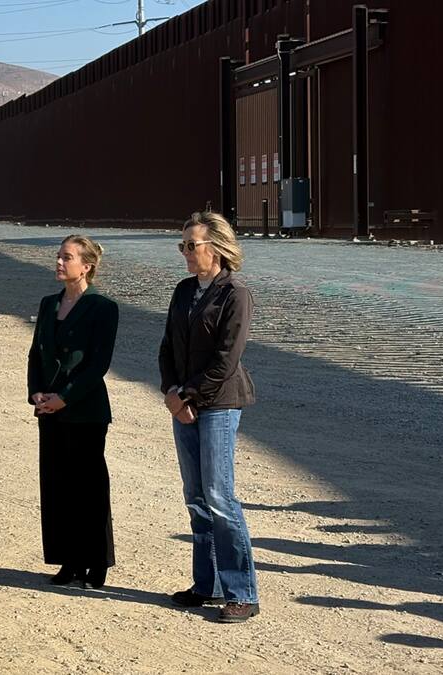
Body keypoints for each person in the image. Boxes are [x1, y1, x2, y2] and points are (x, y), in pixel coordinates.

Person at [159, 211, 260, 623]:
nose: (185, 252)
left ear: (215, 248)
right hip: (183, 401)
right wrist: (171, 391)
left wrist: (187, 393)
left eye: (191, 245)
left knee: (220, 496)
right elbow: (168, 345)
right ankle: (208, 584)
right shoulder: (184, 290)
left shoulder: (236, 294)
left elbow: (226, 359)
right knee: (196, 497)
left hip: (218, 402)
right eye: (181, 245)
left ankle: (242, 592)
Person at [27, 235, 119, 590]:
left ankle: (95, 562)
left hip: (85, 411)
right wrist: (36, 392)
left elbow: (98, 365)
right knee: (57, 486)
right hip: (49, 410)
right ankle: (69, 561)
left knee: (89, 489)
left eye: (67, 257)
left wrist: (64, 398)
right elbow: (35, 354)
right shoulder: (48, 303)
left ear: (87, 266)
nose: (59, 262)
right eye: (59, 256)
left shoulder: (103, 307)